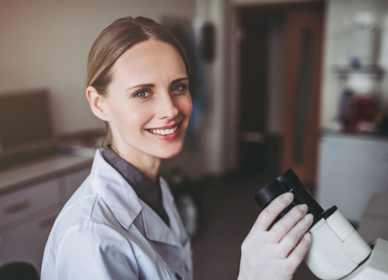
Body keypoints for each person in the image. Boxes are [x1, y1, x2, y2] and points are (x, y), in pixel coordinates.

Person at [41, 16, 313, 280]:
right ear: (99, 103)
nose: (170, 109)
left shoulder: (156, 188)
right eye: (142, 93)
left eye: (178, 87)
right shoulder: (89, 236)